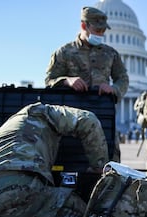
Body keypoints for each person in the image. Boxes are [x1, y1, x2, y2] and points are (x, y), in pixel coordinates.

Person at [0, 103, 109, 217]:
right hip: (12, 187)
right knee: (87, 214)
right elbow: (88, 120)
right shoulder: (40, 112)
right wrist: (99, 167)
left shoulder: (6, 129)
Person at [45, 6, 129, 162]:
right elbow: (49, 81)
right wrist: (66, 80)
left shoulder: (110, 53)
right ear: (84, 26)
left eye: (103, 30)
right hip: (71, 119)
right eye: (97, 30)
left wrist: (113, 89)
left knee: (110, 161)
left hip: (103, 113)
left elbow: (122, 78)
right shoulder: (64, 52)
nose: (101, 34)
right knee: (71, 161)